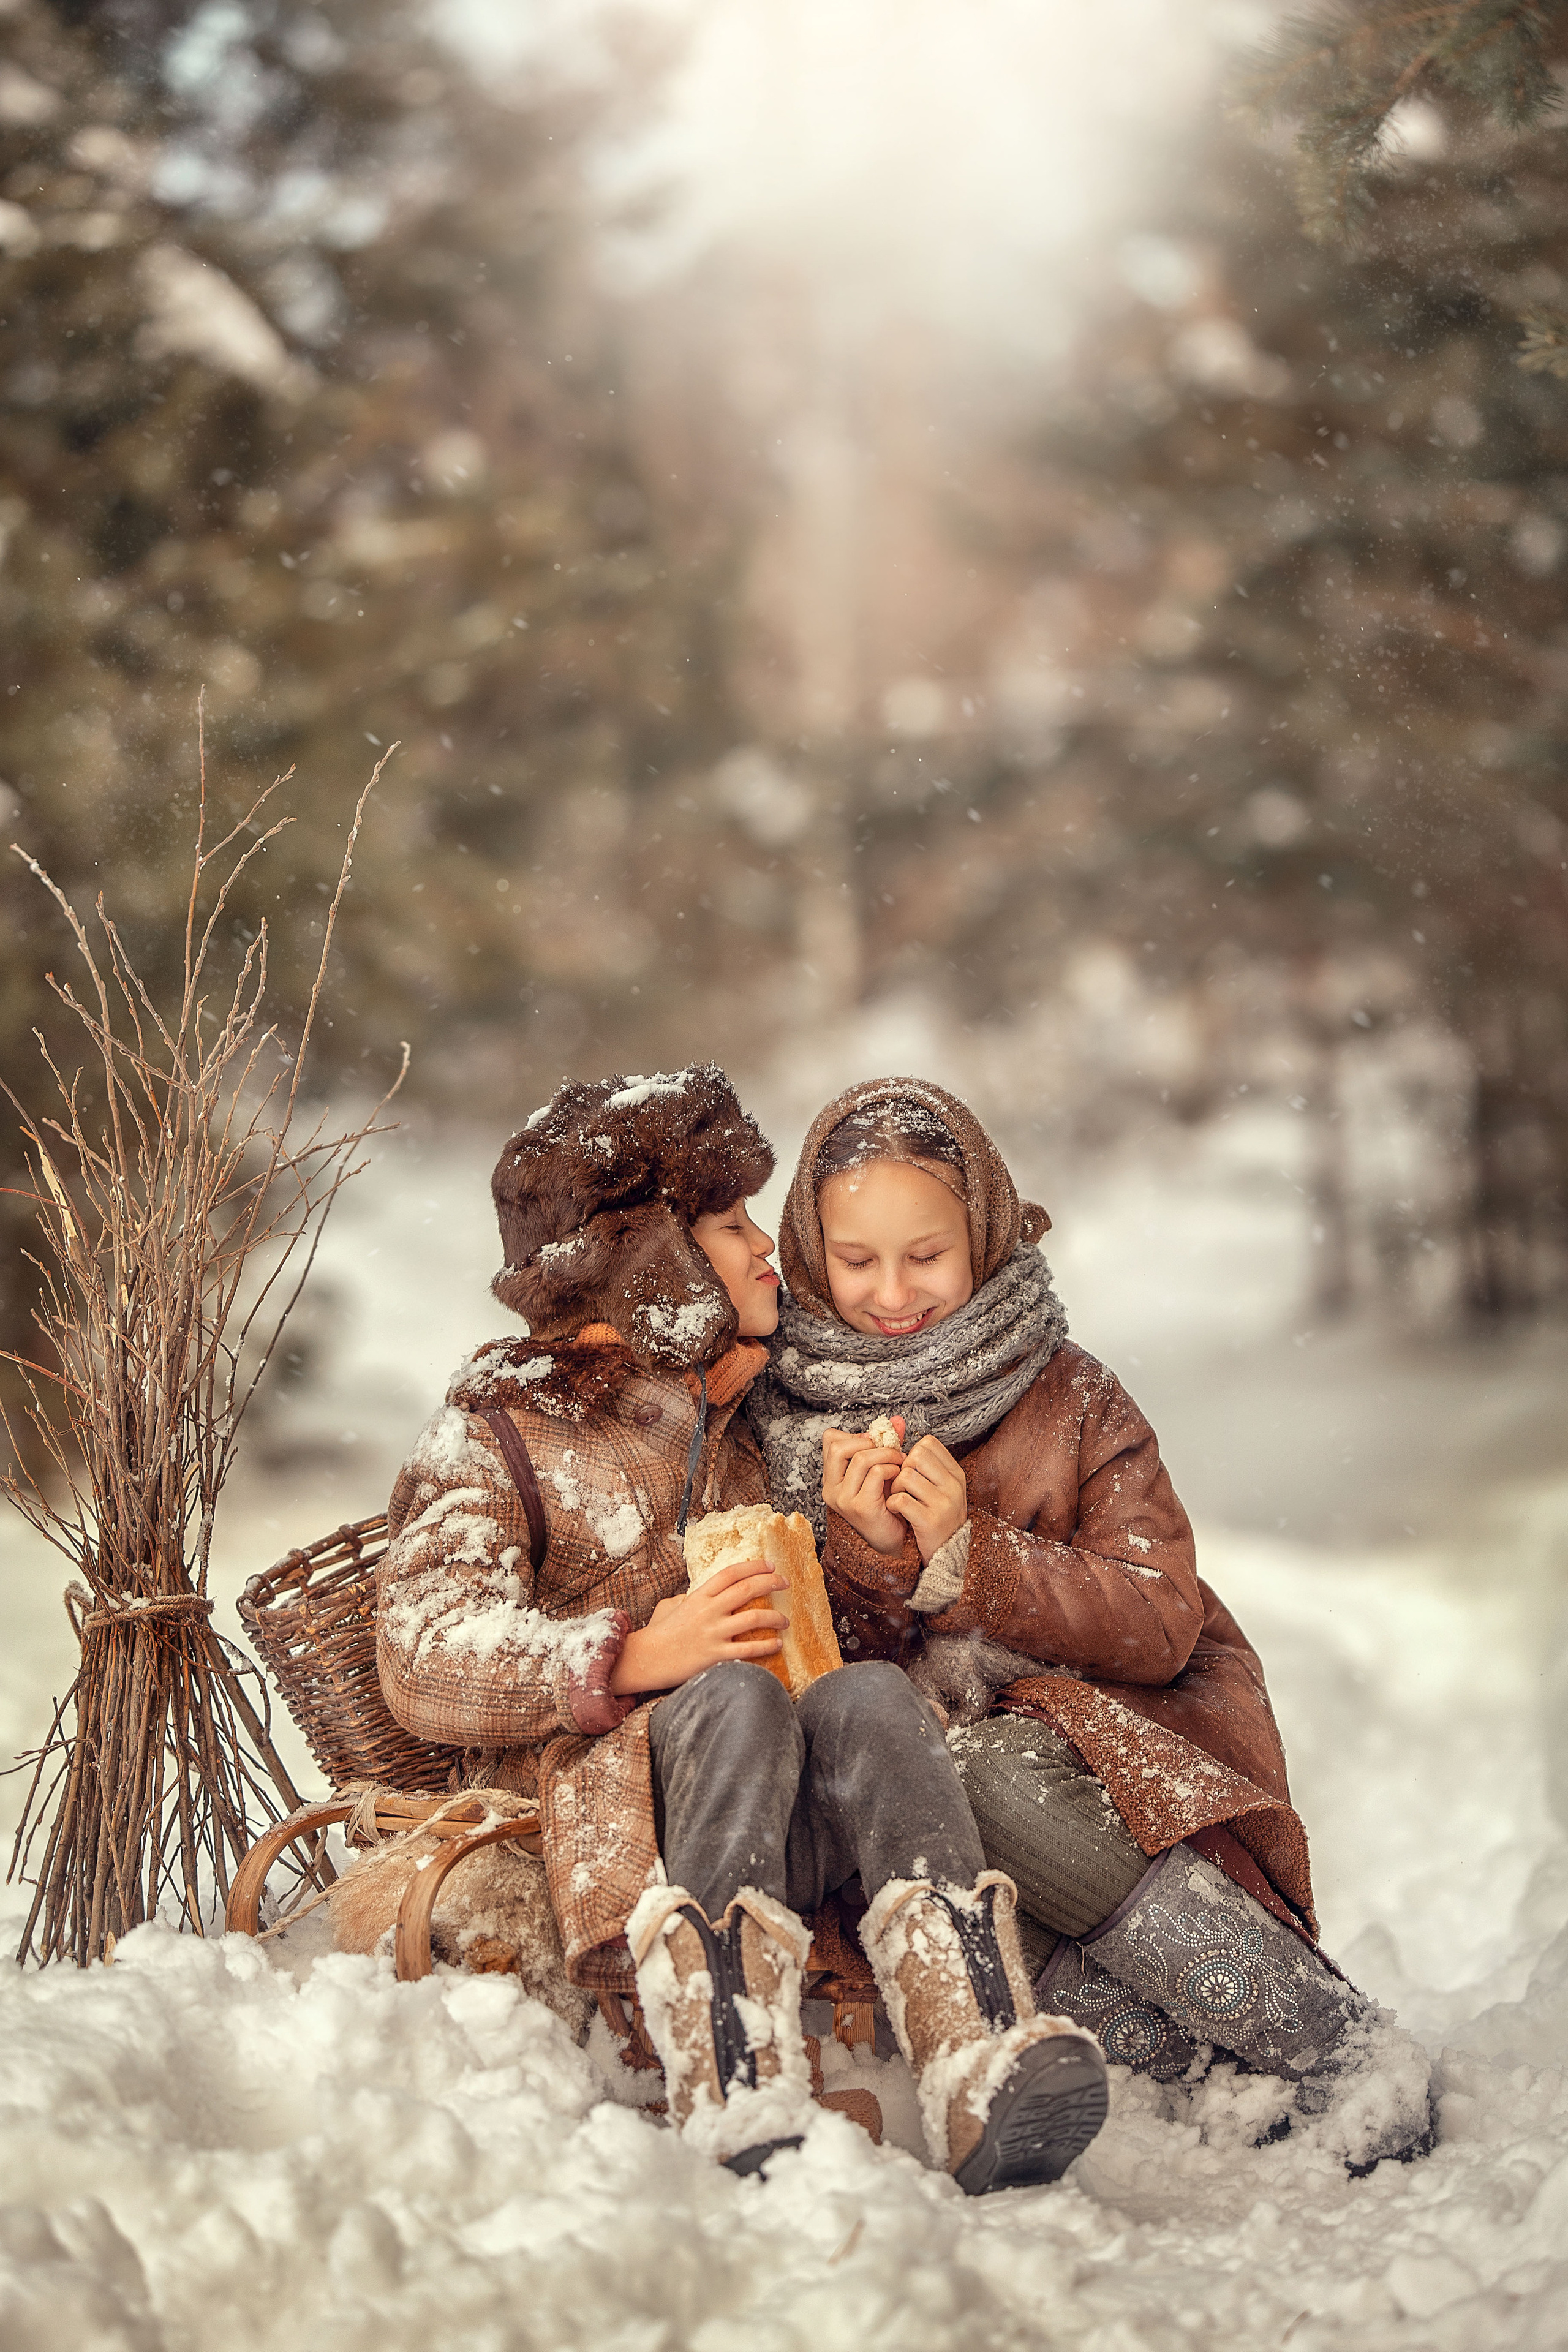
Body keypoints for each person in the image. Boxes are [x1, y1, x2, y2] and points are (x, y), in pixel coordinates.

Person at [375, 1063, 1110, 2189]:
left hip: (782, 1821)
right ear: (652, 1264)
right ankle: (735, 2067)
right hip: (616, 1830)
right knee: (728, 1694)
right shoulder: (506, 1432)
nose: (769, 1246)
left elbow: (843, 1647)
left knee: (865, 1697)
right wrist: (632, 1654)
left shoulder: (752, 1423)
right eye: (728, 1224)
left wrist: (864, 1554)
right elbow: (422, 1644)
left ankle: (976, 2051)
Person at [747, 1076, 1433, 2173]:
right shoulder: (778, 1413)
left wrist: (971, 1561)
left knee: (986, 1778)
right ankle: (1213, 2080)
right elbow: (813, 1670)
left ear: (981, 1231)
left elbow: (1162, 1617)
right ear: (807, 1249)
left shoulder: (1070, 1396)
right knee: (926, 1824)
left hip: (1114, 1737)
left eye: (925, 1254)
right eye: (855, 1259)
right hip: (904, 1779)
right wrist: (866, 1559)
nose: (890, 1293)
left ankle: (1334, 2046)